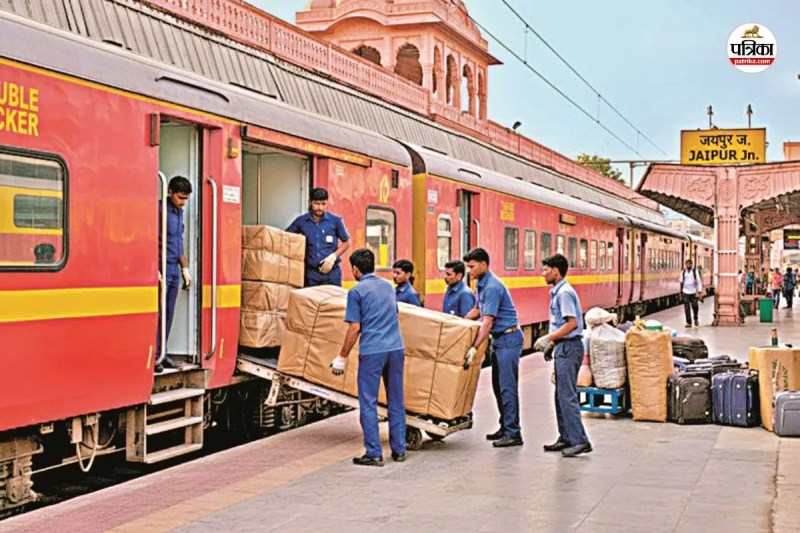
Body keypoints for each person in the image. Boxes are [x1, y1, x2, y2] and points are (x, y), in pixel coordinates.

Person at [330, 248, 406, 466]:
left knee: (368, 402)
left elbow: (355, 327)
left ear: (355, 269)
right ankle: (399, 450)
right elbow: (395, 313)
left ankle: (374, 453)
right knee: (396, 400)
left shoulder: (356, 292)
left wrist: (341, 357)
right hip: (396, 348)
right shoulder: (388, 287)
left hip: (373, 351)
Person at [462, 247, 524, 448]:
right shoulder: (481, 283)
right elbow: (477, 310)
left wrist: (474, 347)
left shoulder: (492, 287)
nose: (469, 271)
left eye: (472, 267)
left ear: (484, 265)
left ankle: (513, 432)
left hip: (508, 339)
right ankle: (505, 427)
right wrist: (458, 323)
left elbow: (487, 322)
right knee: (498, 387)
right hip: (500, 340)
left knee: (507, 387)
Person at [533, 253, 592, 457]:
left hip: (569, 347)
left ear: (555, 271)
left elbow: (572, 323)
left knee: (567, 396)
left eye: (545, 270)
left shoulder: (564, 293)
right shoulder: (558, 291)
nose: (543, 274)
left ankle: (580, 440)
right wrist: (553, 343)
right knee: (560, 396)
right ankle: (566, 437)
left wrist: (548, 338)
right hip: (563, 346)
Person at [156, 175, 193, 373]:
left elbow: (178, 242)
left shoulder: (179, 212)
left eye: (186, 199)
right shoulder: (158, 210)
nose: (183, 202)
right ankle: (155, 356)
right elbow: (150, 239)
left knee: (168, 313)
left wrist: (185, 268)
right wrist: (153, 268)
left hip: (173, 268)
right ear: (169, 192)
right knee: (158, 313)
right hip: (160, 266)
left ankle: (163, 353)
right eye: (180, 198)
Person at [286, 188, 350, 287]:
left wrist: (333, 257)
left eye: (323, 204)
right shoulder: (301, 221)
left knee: (333, 297)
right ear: (310, 202)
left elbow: (347, 243)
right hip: (311, 274)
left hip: (332, 274)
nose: (320, 207)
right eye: (317, 203)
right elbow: (286, 238)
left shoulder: (335, 221)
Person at [679, 259, 703, 327]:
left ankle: (695, 318)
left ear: (691, 265)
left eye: (689, 264)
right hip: (686, 292)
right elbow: (681, 282)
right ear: (685, 265)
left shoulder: (695, 272)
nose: (688, 265)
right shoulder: (683, 272)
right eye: (687, 264)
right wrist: (681, 292)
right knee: (687, 308)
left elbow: (699, 281)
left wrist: (699, 291)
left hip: (693, 292)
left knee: (695, 306)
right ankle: (688, 322)